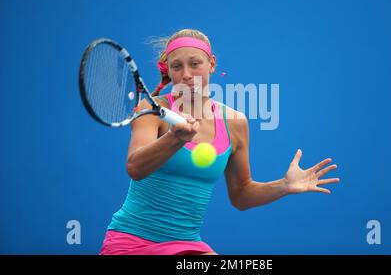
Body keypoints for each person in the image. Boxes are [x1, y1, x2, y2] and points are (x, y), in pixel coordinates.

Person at [99, 29, 340, 255]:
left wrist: (283, 186)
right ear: (169, 72)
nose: (186, 74)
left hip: (185, 243)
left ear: (211, 64)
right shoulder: (151, 110)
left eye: (195, 64)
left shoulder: (235, 123)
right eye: (177, 66)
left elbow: (241, 194)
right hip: (131, 241)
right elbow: (135, 168)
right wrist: (175, 138)